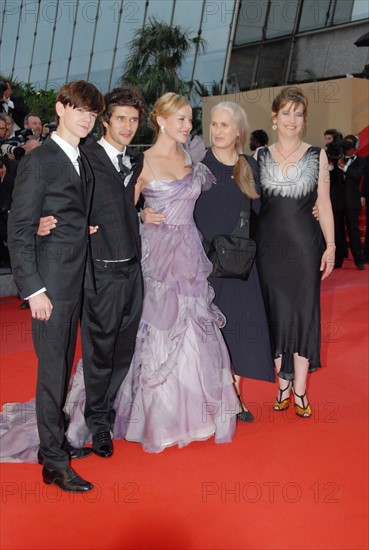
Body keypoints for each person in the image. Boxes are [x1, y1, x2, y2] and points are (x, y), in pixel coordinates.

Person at [7, 80, 105, 492]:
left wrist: (80, 227)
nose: (86, 117)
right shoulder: (40, 160)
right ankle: (52, 461)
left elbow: (58, 213)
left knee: (62, 368)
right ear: (61, 109)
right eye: (79, 109)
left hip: (75, 278)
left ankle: (57, 442)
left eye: (91, 112)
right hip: (50, 285)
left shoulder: (79, 158)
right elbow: (19, 227)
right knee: (52, 373)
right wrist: (34, 291)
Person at [256, 86, 335, 418]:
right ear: (274, 118)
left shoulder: (318, 155)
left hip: (305, 248)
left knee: (304, 315)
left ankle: (300, 390)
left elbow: (324, 204)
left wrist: (330, 245)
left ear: (304, 120)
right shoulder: (258, 156)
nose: (291, 119)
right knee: (276, 316)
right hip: (268, 250)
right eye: (285, 113)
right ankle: (282, 386)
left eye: (298, 114)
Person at [194, 102, 275, 422]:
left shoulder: (250, 167)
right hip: (203, 263)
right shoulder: (198, 164)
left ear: (238, 130)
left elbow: (268, 214)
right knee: (208, 332)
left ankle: (235, 397)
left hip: (240, 266)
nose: (217, 131)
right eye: (213, 124)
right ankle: (215, 397)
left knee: (238, 331)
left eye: (224, 125)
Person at [337, 134, 365, 270]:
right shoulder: (336, 158)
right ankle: (338, 259)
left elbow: (357, 175)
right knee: (337, 231)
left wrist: (344, 167)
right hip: (337, 201)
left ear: (355, 147)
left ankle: (358, 260)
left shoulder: (361, 160)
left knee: (353, 231)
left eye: (349, 144)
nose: (346, 147)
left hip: (352, 202)